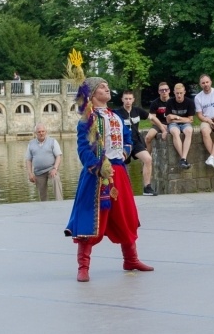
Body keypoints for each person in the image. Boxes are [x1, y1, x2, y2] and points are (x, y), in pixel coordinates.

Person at [64, 77, 153, 282]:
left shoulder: (116, 116)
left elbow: (128, 138)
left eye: (107, 86)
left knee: (126, 215)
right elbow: (83, 148)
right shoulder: (87, 119)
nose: (107, 89)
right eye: (102, 87)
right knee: (91, 219)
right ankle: (83, 266)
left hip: (118, 172)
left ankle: (131, 259)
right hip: (96, 175)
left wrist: (124, 153)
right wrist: (97, 166)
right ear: (93, 94)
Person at [115, 90, 157, 196]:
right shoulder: (117, 113)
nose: (128, 101)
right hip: (123, 143)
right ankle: (124, 190)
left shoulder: (137, 110)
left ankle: (147, 187)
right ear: (122, 100)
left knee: (148, 159)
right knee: (122, 165)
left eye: (130, 99)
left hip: (136, 142)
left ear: (133, 100)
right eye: (126, 99)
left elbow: (152, 117)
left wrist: (163, 128)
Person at [26, 123, 63, 201]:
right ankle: (45, 208)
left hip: (51, 169)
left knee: (56, 178)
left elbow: (58, 156)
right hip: (38, 172)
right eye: (39, 132)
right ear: (35, 133)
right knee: (42, 195)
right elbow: (28, 160)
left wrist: (55, 168)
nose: (41, 133)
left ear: (46, 132)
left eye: (43, 131)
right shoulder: (31, 144)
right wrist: (30, 173)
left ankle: (60, 203)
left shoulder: (53, 141)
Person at [166, 83, 195, 169]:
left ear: (184, 92)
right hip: (173, 124)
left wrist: (176, 117)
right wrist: (182, 119)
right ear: (174, 92)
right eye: (177, 93)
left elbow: (190, 120)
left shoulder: (189, 102)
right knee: (175, 132)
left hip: (185, 124)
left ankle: (183, 158)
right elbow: (168, 120)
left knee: (189, 131)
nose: (179, 95)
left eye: (181, 93)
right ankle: (183, 159)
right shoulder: (170, 102)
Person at [145, 82, 170, 153]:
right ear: (159, 92)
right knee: (148, 138)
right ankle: (148, 159)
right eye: (162, 90)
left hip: (172, 124)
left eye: (166, 89)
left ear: (169, 90)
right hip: (158, 124)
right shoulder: (155, 103)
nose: (164, 91)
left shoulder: (173, 102)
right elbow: (152, 120)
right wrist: (162, 126)